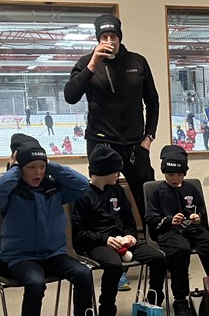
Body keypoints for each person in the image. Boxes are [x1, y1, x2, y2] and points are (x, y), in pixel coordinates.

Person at [0, 139, 92, 316]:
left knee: (83, 274)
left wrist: (50, 165)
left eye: (42, 167)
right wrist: (14, 169)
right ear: (19, 168)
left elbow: (83, 184)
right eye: (31, 167)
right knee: (35, 283)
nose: (38, 173)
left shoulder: (53, 188)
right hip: (20, 257)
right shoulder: (11, 191)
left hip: (53, 253)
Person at [63, 14, 159, 219]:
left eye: (113, 36)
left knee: (148, 202)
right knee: (103, 204)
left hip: (135, 145)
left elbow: (153, 102)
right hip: (101, 145)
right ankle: (108, 238)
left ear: (120, 37)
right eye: (104, 37)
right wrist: (93, 64)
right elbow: (70, 96)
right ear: (98, 39)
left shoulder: (138, 62)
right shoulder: (86, 62)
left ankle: (153, 239)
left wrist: (149, 137)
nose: (109, 41)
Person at [72, 145, 167, 316]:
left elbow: (129, 221)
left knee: (158, 258)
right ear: (104, 171)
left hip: (123, 241)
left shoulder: (118, 191)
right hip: (97, 244)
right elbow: (79, 234)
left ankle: (153, 306)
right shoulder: (82, 195)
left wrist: (131, 236)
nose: (119, 174)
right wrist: (105, 239)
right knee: (114, 266)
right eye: (116, 171)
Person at [144, 145, 209, 316]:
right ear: (164, 173)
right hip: (168, 232)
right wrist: (169, 220)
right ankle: (181, 303)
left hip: (192, 229)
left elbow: (202, 213)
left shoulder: (191, 189)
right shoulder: (157, 192)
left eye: (179, 175)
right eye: (171, 174)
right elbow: (150, 218)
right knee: (181, 250)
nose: (175, 178)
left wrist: (198, 218)